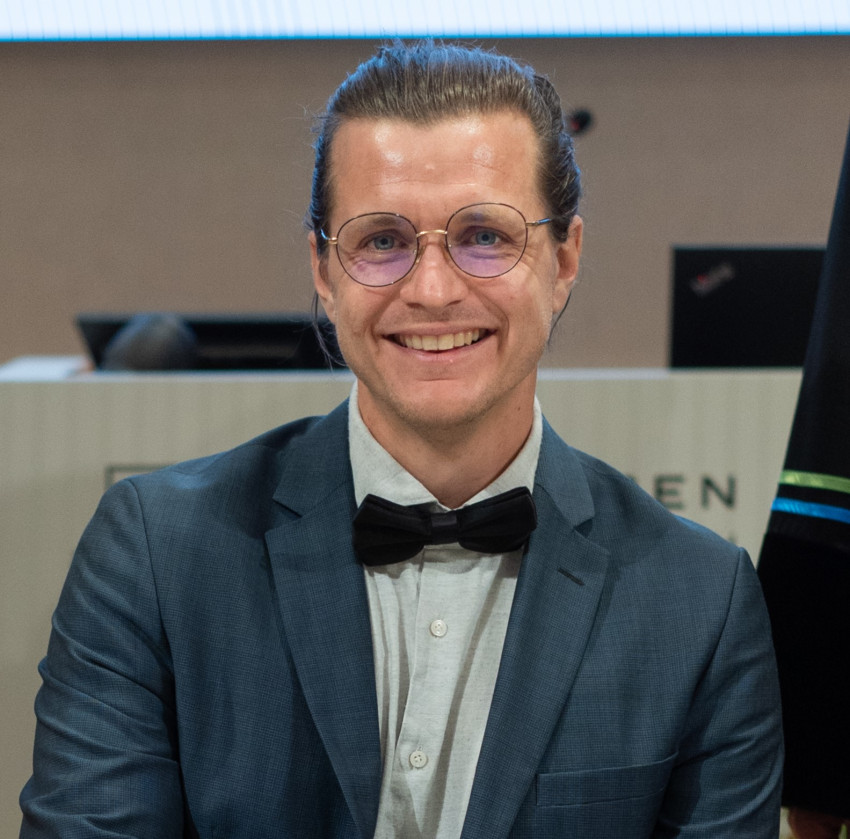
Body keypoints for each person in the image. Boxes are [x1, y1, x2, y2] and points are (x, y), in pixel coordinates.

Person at [20, 40, 783, 838]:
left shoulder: (700, 602)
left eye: (485, 235)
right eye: (382, 240)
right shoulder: (154, 555)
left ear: (564, 261)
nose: (433, 289)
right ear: (324, 270)